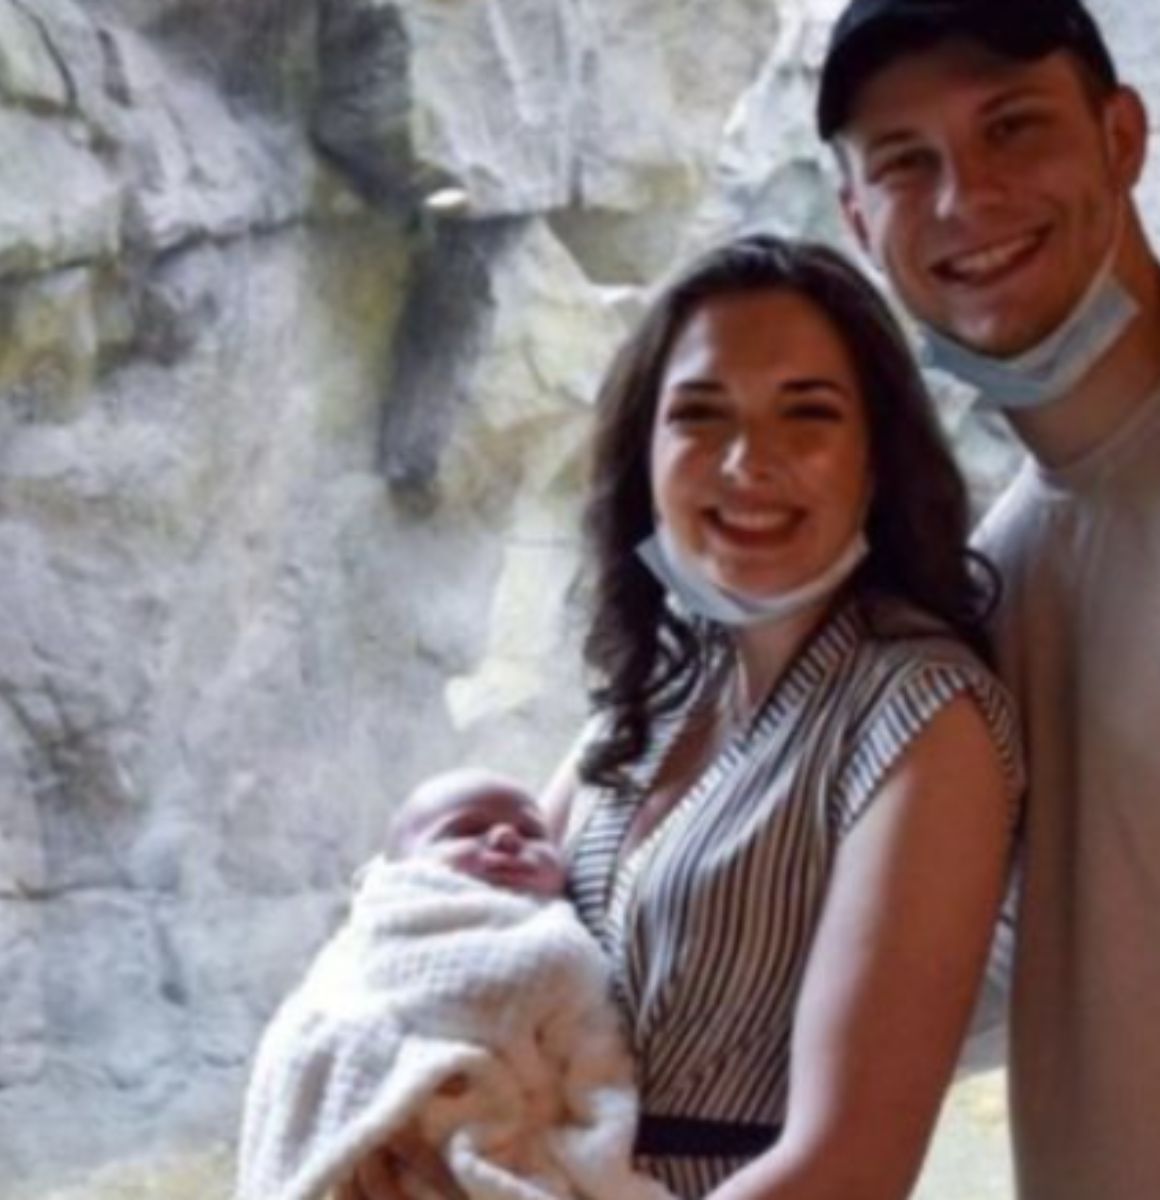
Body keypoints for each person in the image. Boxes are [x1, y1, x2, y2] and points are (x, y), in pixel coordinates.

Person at [340, 235, 1023, 1200]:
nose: (749, 461)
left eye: (809, 414)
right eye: (700, 415)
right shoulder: (660, 690)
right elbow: (471, 939)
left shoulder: (923, 720)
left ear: (879, 456)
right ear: (646, 453)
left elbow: (849, 1165)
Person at [817, 1, 1160, 1197]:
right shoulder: (1002, 581)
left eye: (1012, 127)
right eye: (905, 164)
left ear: (1121, 135)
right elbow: (1007, 960)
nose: (963, 198)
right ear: (859, 222)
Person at [237, 768, 671, 1200]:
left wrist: (598, 1159)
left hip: (497, 1145)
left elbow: (596, 1063)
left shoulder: (557, 942)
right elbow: (319, 1018)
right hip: (376, 1140)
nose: (506, 837)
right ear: (402, 867)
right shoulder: (383, 920)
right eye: (465, 829)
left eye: (533, 833)